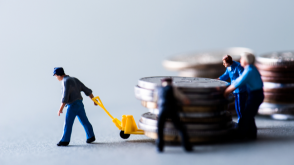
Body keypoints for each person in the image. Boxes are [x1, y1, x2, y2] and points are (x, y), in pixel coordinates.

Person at [224, 52, 264, 140]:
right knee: (249, 114)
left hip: (255, 95)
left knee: (246, 115)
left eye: (242, 58)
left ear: (246, 61)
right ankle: (252, 133)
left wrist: (226, 91)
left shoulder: (249, 71)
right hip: (256, 94)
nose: (240, 60)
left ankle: (241, 134)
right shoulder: (251, 68)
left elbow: (239, 82)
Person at [53, 67, 96, 146]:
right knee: (84, 121)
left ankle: (65, 140)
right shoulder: (74, 79)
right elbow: (86, 90)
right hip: (79, 104)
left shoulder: (65, 81)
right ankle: (91, 136)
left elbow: (65, 96)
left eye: (55, 76)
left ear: (58, 75)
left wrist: (60, 109)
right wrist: (94, 100)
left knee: (68, 123)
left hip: (72, 105)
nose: (56, 78)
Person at [156, 78, 192, 152]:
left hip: (162, 110)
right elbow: (182, 98)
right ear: (171, 82)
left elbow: (156, 102)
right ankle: (187, 146)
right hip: (172, 109)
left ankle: (160, 146)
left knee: (160, 128)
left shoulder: (158, 89)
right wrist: (187, 102)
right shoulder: (173, 88)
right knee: (180, 127)